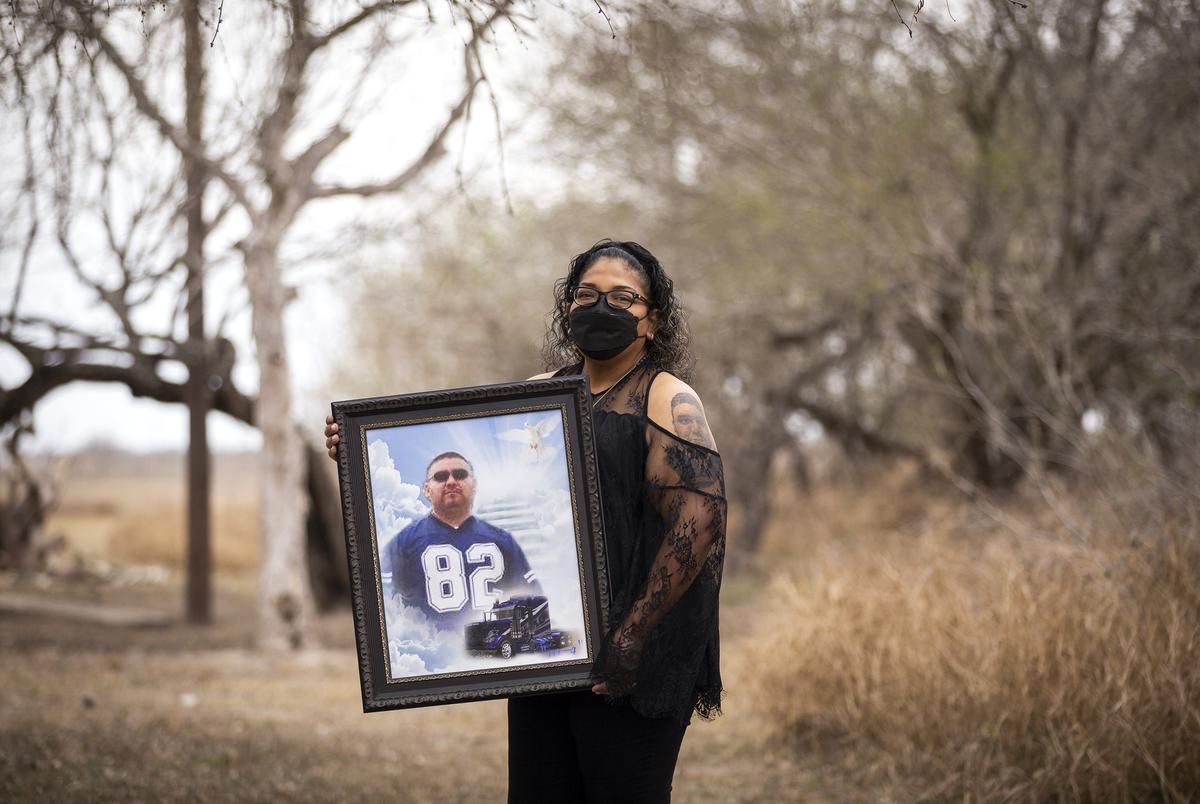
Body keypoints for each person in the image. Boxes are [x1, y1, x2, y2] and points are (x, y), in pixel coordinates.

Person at [325, 239, 725, 803]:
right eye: (587, 295)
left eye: (622, 297)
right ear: (567, 309)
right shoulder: (538, 398)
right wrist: (363, 449)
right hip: (547, 650)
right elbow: (469, 473)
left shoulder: (665, 397)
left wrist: (632, 634)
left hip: (633, 657)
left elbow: (699, 519)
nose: (601, 307)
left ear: (652, 321)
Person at [381, 450, 542, 631]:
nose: (451, 481)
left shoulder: (503, 541)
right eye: (441, 477)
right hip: (433, 652)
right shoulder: (402, 543)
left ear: (473, 484)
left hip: (495, 649)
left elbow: (533, 601)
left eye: (460, 474)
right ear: (427, 489)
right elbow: (385, 608)